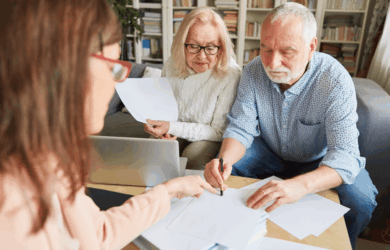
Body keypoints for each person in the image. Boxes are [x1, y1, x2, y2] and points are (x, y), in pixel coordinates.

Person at [0, 0, 217, 249]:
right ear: (64, 65)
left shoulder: (49, 160)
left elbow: (96, 235)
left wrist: (169, 190)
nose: (118, 83)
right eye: (114, 67)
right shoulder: (11, 200)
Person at [203, 3, 377, 249]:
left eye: (287, 51)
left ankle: (341, 244)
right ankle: (232, 238)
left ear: (311, 47)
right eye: (266, 49)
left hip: (320, 161)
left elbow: (346, 155)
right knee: (227, 171)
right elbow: (241, 128)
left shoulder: (334, 80)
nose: (273, 63)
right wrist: (223, 161)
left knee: (361, 199)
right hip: (268, 153)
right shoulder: (253, 72)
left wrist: (301, 185)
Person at [143, 7, 242, 170]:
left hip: (208, 137)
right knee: (152, 149)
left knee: (192, 157)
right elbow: (164, 108)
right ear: (182, 44)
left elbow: (217, 132)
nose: (202, 56)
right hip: (175, 127)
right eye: (193, 46)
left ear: (221, 47)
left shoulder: (231, 74)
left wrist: (171, 126)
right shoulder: (172, 64)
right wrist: (161, 129)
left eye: (210, 48)